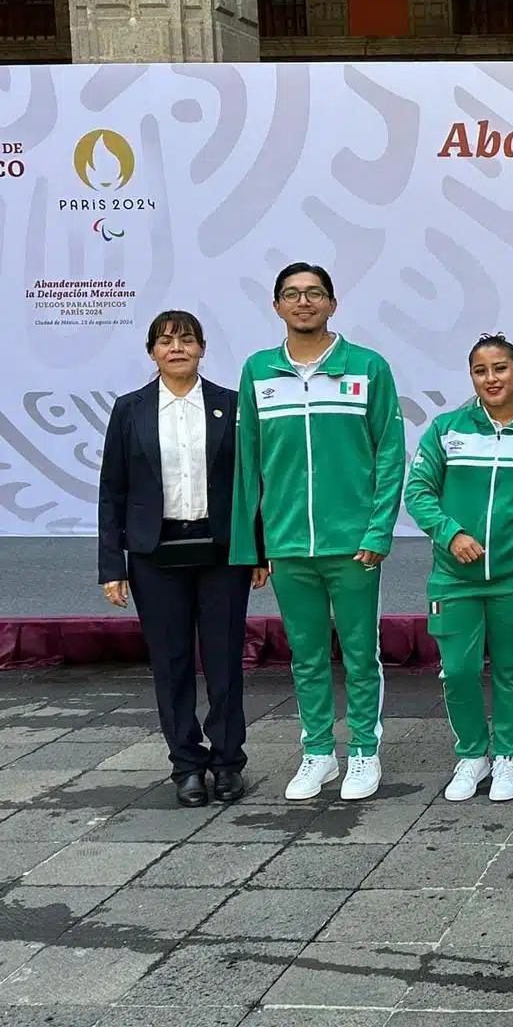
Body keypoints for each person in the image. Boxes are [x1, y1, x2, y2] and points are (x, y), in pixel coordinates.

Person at [230, 263, 407, 803]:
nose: (303, 302)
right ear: (277, 306)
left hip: (353, 546)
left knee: (359, 653)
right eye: (292, 294)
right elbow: (247, 465)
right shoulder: (258, 371)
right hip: (286, 545)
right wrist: (253, 546)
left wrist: (378, 532)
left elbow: (390, 455)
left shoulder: (368, 368)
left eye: (314, 294)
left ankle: (362, 752)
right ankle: (316, 753)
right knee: (305, 655)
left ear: (332, 303)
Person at [97, 310, 269, 807]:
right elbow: (113, 491)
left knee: (224, 662)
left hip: (222, 553)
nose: (177, 349)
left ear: (202, 348)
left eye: (187, 340)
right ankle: (187, 766)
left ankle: (228, 760)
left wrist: (255, 549)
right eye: (166, 341)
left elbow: (250, 483)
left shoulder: (231, 406)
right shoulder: (129, 410)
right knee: (170, 664)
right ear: (151, 351)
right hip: (154, 554)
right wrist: (113, 565)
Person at [404, 334, 513, 803]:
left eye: (500, 368)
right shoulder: (447, 430)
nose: (491, 378)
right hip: (453, 577)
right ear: (471, 376)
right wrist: (451, 533)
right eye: (481, 370)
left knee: (512, 669)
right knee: (457, 671)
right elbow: (418, 493)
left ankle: (507, 756)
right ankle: (472, 755)